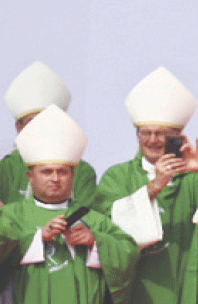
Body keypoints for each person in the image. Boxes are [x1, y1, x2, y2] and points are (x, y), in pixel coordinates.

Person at [92, 66, 198, 304]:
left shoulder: (195, 180)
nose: (152, 140)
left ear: (178, 137)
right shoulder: (117, 176)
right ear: (137, 135)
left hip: (180, 284)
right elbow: (102, 224)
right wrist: (153, 187)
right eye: (145, 133)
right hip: (133, 286)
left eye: (161, 134)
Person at [0, 105, 139, 304]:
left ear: (72, 175)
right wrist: (37, 237)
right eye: (47, 172)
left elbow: (129, 252)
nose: (55, 178)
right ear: (30, 176)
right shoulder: (10, 216)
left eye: (62, 172)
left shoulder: (93, 219)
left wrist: (96, 241)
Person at [1, 61, 96, 207]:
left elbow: (87, 219)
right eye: (31, 122)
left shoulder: (82, 171)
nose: (39, 128)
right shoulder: (6, 168)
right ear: (18, 127)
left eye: (47, 120)